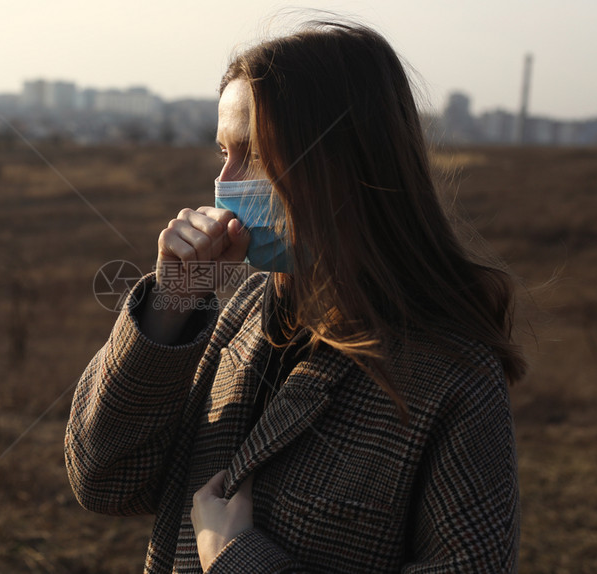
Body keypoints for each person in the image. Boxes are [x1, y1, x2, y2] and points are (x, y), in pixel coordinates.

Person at [66, 19, 525, 573]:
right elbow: (105, 481)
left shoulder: (453, 379)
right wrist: (171, 304)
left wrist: (239, 561)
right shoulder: (238, 317)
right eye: (222, 152)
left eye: (254, 155)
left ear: (342, 164)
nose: (225, 182)